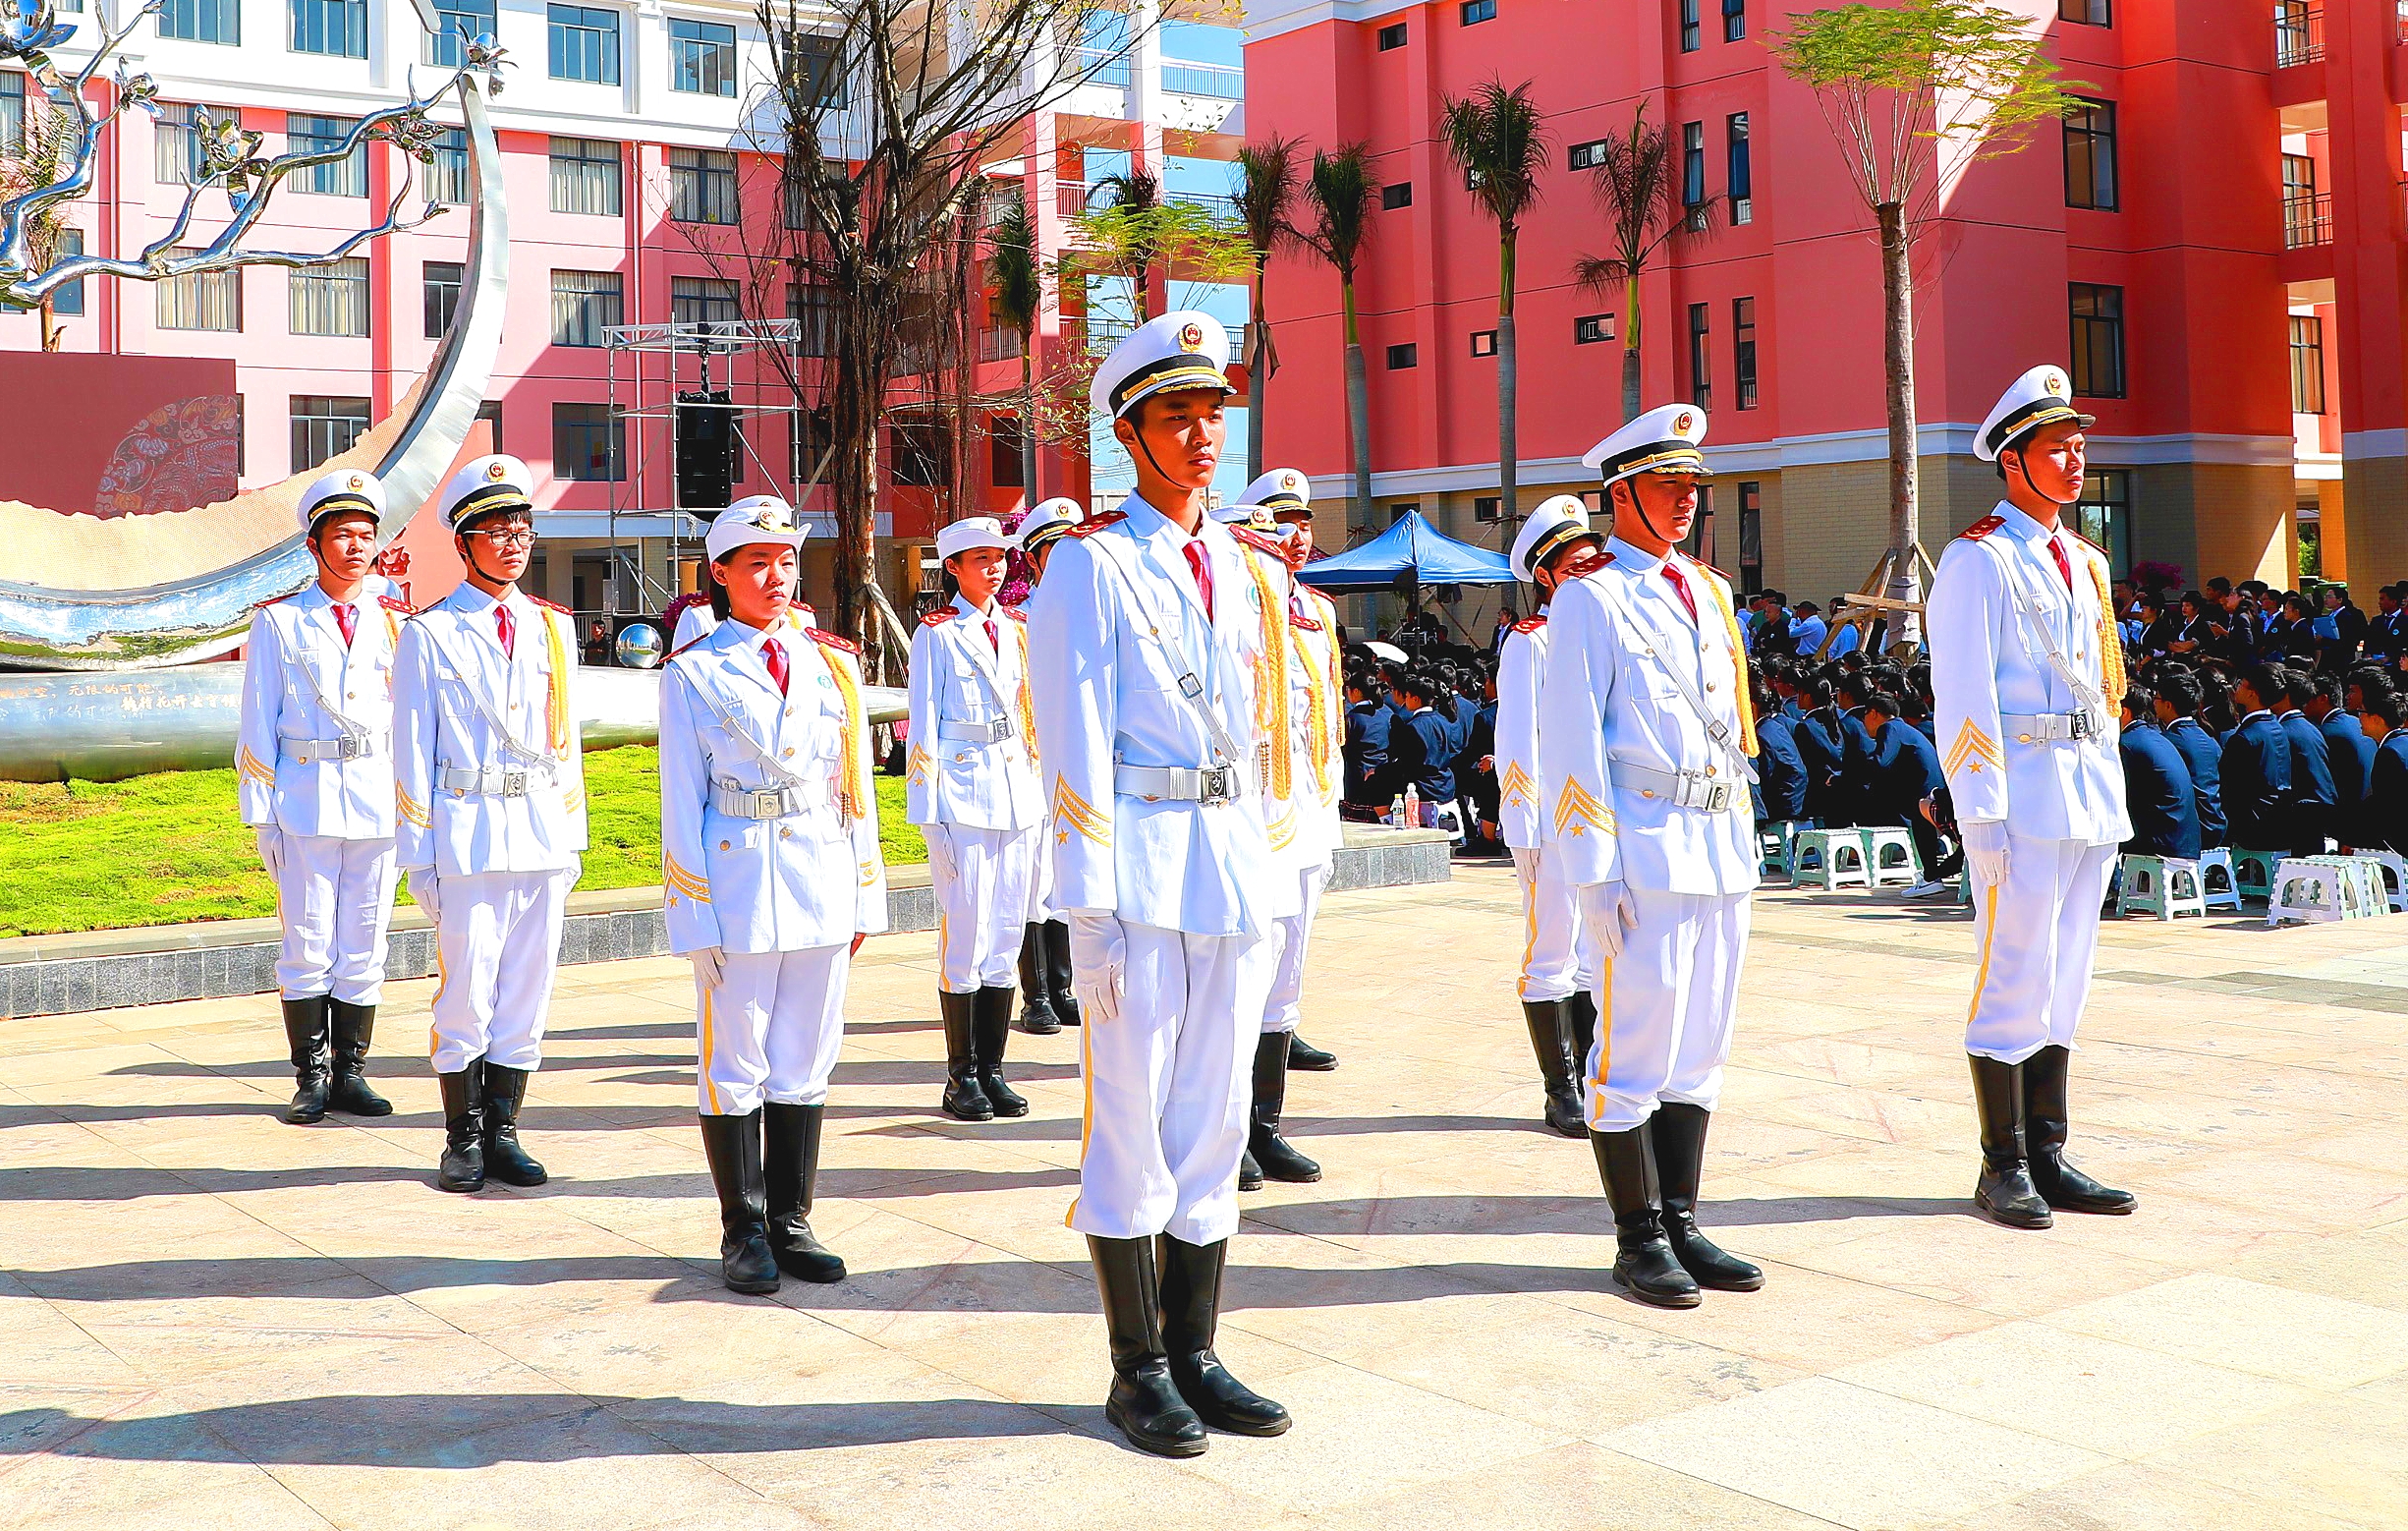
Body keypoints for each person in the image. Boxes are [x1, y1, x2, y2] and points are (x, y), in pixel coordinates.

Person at [1025, 312, 1293, 1456]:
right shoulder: (1090, 565)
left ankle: (1198, 1348)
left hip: (1230, 867)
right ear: (1129, 433)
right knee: (1130, 1121)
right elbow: (1073, 743)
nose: (1199, 435)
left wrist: (1274, 873)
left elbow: (1269, 730)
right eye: (1175, 416)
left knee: (1214, 1115)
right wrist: (1089, 910)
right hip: (1139, 867)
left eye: (1211, 414)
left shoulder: (1239, 564)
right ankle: (1137, 1368)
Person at [1540, 402, 1764, 1309]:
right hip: (1644, 846)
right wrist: (1592, 870)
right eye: (1667, 486)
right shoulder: (1590, 597)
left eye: (1691, 488)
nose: (1683, 502)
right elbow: (1571, 742)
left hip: (1717, 842)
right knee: (1634, 1047)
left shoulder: (1707, 591)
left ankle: (1680, 1217)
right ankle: (1636, 1238)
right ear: (1621, 491)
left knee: (1701, 1044)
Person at [659, 496, 887, 1291]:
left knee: (805, 1059)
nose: (776, 576)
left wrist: (867, 895)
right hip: (738, 881)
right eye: (756, 563)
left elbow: (853, 785)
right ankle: (742, 1229)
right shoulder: (693, 671)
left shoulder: (833, 663)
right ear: (719, 574)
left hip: (821, 873)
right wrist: (693, 913)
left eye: (785, 560)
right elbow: (680, 802)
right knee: (736, 1062)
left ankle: (792, 1220)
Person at [1929, 366, 2134, 1232]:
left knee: (2065, 981)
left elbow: (2104, 687)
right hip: (2018, 798)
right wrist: (1979, 810)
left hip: (2085, 792)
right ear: (2013, 460)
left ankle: (2049, 1151)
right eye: (2058, 446)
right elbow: (1962, 691)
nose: (2076, 457)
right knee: (2011, 974)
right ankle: (2001, 1161)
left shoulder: (2083, 560)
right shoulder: (1976, 559)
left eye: (2080, 444)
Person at [392, 456, 588, 1194]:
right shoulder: (430, 634)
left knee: (527, 991)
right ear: (463, 542)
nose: (512, 543)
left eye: (520, 529)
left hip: (538, 828)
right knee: (466, 992)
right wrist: (421, 857)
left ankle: (506, 1130)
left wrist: (572, 841)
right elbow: (410, 755)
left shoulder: (551, 629)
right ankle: (462, 1136)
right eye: (494, 531)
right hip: (466, 830)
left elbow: (563, 740)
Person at [237, 470, 410, 1125]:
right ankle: (310, 1075)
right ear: (314, 545)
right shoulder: (280, 623)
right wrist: (262, 815)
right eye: (342, 535)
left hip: (376, 799)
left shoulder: (397, 624)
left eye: (366, 535)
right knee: (308, 942)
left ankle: (352, 1073)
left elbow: (411, 723)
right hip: (304, 799)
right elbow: (258, 721)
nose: (356, 547)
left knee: (365, 940)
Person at [1217, 469, 1343, 1189]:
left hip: (1308, 815)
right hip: (1253, 818)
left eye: (1301, 527)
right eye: (1277, 529)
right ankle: (1229, 1131)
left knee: (1284, 982)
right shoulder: (1235, 611)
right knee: (1244, 978)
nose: (1295, 541)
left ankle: (1266, 1126)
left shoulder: (1316, 614)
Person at [908, 516, 1044, 1122]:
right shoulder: (937, 634)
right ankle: (958, 1075)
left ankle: (992, 1068)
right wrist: (928, 812)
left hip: (1018, 790)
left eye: (999, 559)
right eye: (980, 560)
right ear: (954, 569)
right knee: (966, 932)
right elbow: (923, 722)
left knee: (1007, 930)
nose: (993, 569)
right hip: (961, 794)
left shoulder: (1019, 628)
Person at [1498, 495, 1606, 1138]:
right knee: (1550, 956)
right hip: (1547, 825)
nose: (1589, 572)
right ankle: (1558, 1087)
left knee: (1596, 955)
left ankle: (1595, 1073)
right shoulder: (1531, 642)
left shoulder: (1597, 635)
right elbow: (1516, 739)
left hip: (1597, 823)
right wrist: (1524, 827)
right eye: (1575, 565)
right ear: (1545, 576)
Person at [1009, 496, 1086, 1037]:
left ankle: (1063, 985)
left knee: (1068, 876)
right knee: (1033, 882)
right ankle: (1034, 993)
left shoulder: (1097, 612)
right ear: (1034, 561)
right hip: (1032, 767)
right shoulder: (1019, 620)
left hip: (1080, 765)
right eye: (1051, 551)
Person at [1861, 689, 1949, 896]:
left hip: (1925, 794)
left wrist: (1855, 769)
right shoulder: (1903, 728)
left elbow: (1881, 763)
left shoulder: (1889, 728)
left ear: (1873, 713)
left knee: (1918, 822)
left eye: (1864, 715)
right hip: (1933, 788)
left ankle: (1930, 878)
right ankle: (1931, 875)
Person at [2117, 687, 2201, 861]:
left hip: (2161, 840)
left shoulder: (2127, 744)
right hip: (2185, 836)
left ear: (2124, 712)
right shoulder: (2156, 737)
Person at [2220, 666, 2295, 852]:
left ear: (2253, 694)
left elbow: (2230, 789)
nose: (2236, 688)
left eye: (2241, 684)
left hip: (2252, 829)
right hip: (2280, 821)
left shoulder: (2245, 738)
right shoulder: (2278, 728)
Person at [2151, 669, 2226, 850]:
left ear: (2168, 705)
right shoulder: (2209, 739)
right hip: (2216, 822)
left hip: (2189, 830)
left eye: (2157, 698)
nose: (2153, 702)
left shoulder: (2168, 742)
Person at [2276, 670, 2337, 856]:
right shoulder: (2310, 727)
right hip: (2320, 810)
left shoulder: (2284, 731)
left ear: (2285, 695)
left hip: (2302, 815)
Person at [2358, 684, 2408, 855]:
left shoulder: (2390, 752)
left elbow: (2386, 807)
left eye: (2362, 712)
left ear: (2377, 718)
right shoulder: (2402, 743)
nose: (2359, 718)